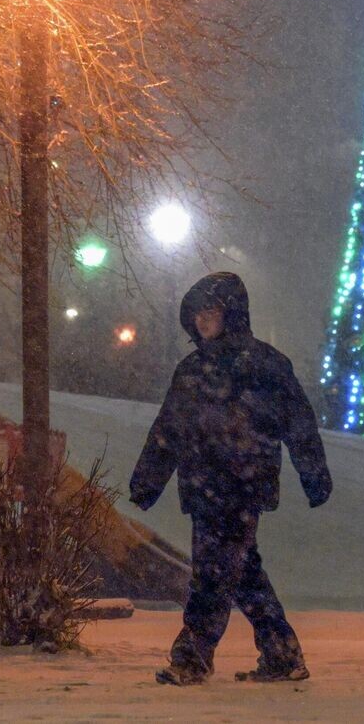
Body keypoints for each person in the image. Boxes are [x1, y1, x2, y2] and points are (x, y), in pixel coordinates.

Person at [129, 271, 332, 686]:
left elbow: (299, 423)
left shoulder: (264, 365)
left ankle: (192, 656)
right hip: (204, 487)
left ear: (231, 314)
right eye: (197, 314)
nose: (202, 322)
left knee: (213, 573)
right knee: (241, 571)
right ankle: (281, 653)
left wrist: (313, 474)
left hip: (243, 485)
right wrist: (148, 481)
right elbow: (168, 429)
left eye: (211, 312)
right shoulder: (191, 371)